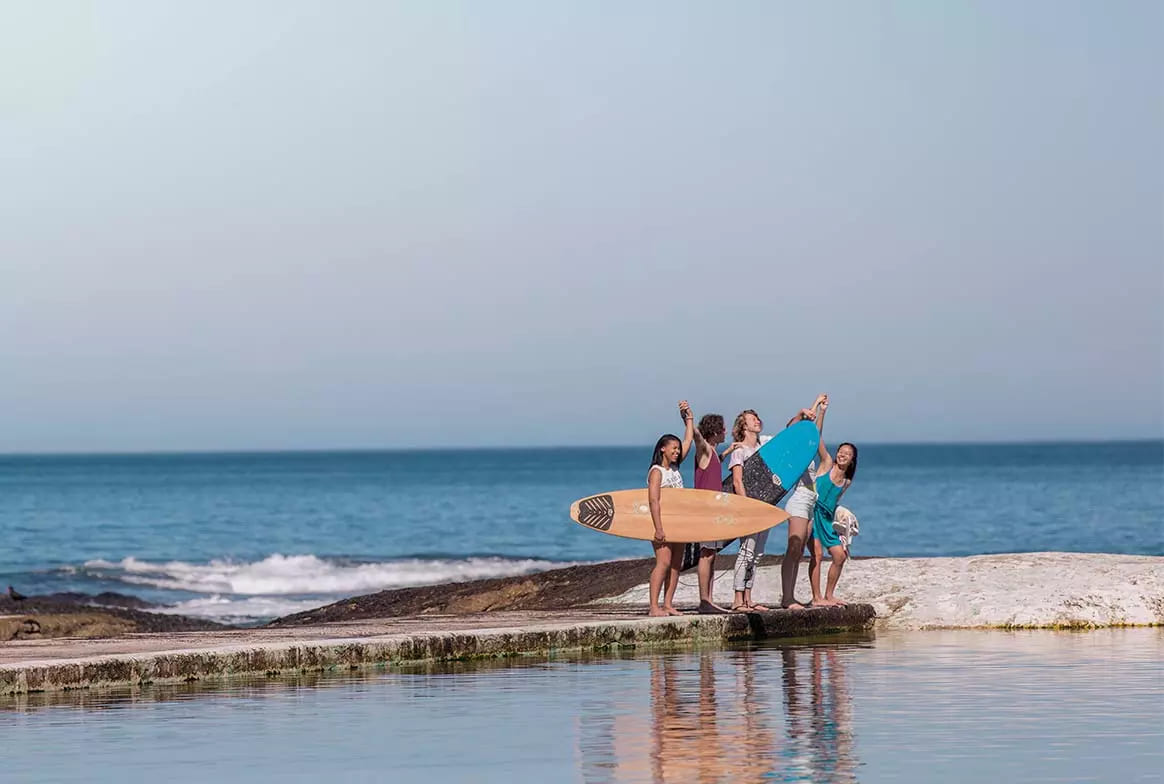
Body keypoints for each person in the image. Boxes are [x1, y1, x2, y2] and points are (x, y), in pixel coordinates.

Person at [726, 405, 818, 612]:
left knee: (757, 554)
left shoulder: (766, 445)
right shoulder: (739, 451)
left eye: (757, 417)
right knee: (746, 552)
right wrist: (747, 507)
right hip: (750, 508)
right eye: (752, 419)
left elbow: (789, 435)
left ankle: (748, 598)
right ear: (743, 426)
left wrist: (800, 415)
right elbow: (737, 482)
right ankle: (737, 600)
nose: (757, 420)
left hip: (765, 508)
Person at [805, 399, 858, 607]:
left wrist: (843, 517)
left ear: (852, 460)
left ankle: (829, 595)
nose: (843, 454)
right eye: (841, 451)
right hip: (812, 513)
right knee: (816, 555)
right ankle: (816, 597)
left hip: (827, 519)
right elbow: (817, 438)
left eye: (847, 454)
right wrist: (822, 411)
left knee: (840, 555)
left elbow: (834, 502)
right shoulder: (827, 464)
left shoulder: (846, 481)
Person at [688, 414, 742, 614]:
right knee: (706, 554)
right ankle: (704, 600)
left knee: (712, 555)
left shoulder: (712, 454)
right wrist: (688, 419)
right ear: (715, 431)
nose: (726, 432)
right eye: (723, 429)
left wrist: (728, 451)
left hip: (715, 511)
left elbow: (714, 465)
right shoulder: (703, 450)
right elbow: (697, 437)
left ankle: (708, 599)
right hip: (706, 511)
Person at [647, 400, 696, 617]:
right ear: (663, 449)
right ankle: (653, 606)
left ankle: (668, 604)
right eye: (673, 448)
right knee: (663, 563)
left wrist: (688, 418)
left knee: (676, 564)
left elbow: (688, 439)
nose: (677, 451)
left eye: (678, 449)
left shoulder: (674, 469)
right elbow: (654, 501)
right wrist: (658, 528)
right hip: (662, 523)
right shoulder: (657, 472)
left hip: (680, 522)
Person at [780, 394, 829, 610]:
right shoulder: (793, 451)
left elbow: (814, 434)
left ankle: (790, 596)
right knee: (793, 548)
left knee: (799, 551)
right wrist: (806, 410)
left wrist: (820, 410)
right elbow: (793, 428)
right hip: (799, 501)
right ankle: (787, 597)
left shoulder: (808, 452)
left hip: (810, 501)